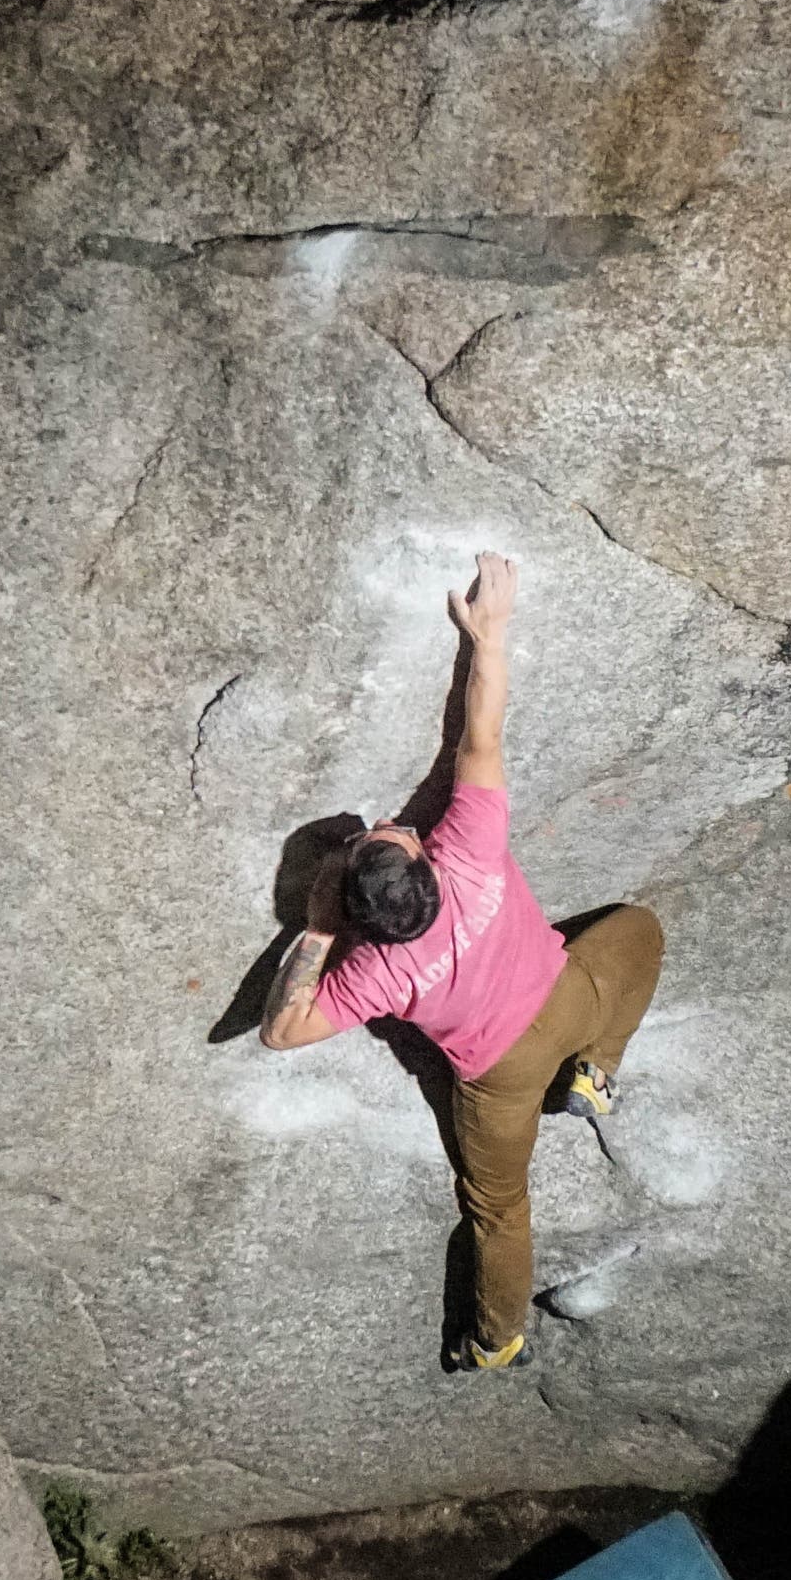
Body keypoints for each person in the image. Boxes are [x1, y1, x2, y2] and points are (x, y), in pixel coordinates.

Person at [258, 551, 666, 1372]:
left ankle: (496, 1336)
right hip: (568, 997)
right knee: (639, 930)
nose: (385, 823)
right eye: (388, 834)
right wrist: (490, 634)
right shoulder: (469, 848)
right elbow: (482, 731)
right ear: (423, 860)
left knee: (499, 1208)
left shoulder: (374, 973)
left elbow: (281, 1031)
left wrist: (318, 929)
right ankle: (596, 1070)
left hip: (499, 1076)